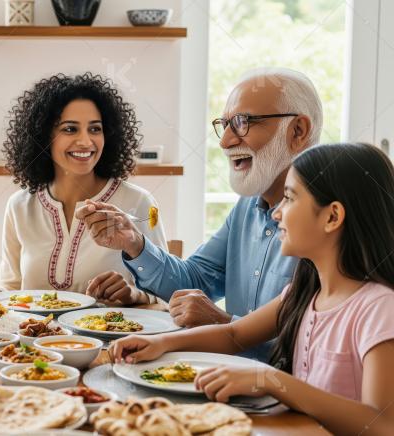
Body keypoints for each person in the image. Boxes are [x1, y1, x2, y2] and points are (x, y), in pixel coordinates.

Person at [109, 143, 394, 434]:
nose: (276, 213)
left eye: (290, 199)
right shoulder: (306, 291)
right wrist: (162, 343)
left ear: (332, 217)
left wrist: (272, 380)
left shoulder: (379, 308)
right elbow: (234, 335)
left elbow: (383, 424)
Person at [77, 68, 323, 358]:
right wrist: (134, 243)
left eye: (243, 123)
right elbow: (194, 281)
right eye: (225, 124)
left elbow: (311, 357)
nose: (225, 141)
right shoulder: (246, 206)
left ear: (298, 131)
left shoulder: (327, 225)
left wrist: (223, 325)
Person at [0, 73, 167, 306]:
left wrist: (132, 293)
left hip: (110, 340)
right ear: (44, 135)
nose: (86, 141)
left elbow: (165, 292)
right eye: (70, 129)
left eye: (95, 129)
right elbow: (12, 288)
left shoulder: (139, 202)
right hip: (36, 341)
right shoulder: (19, 206)